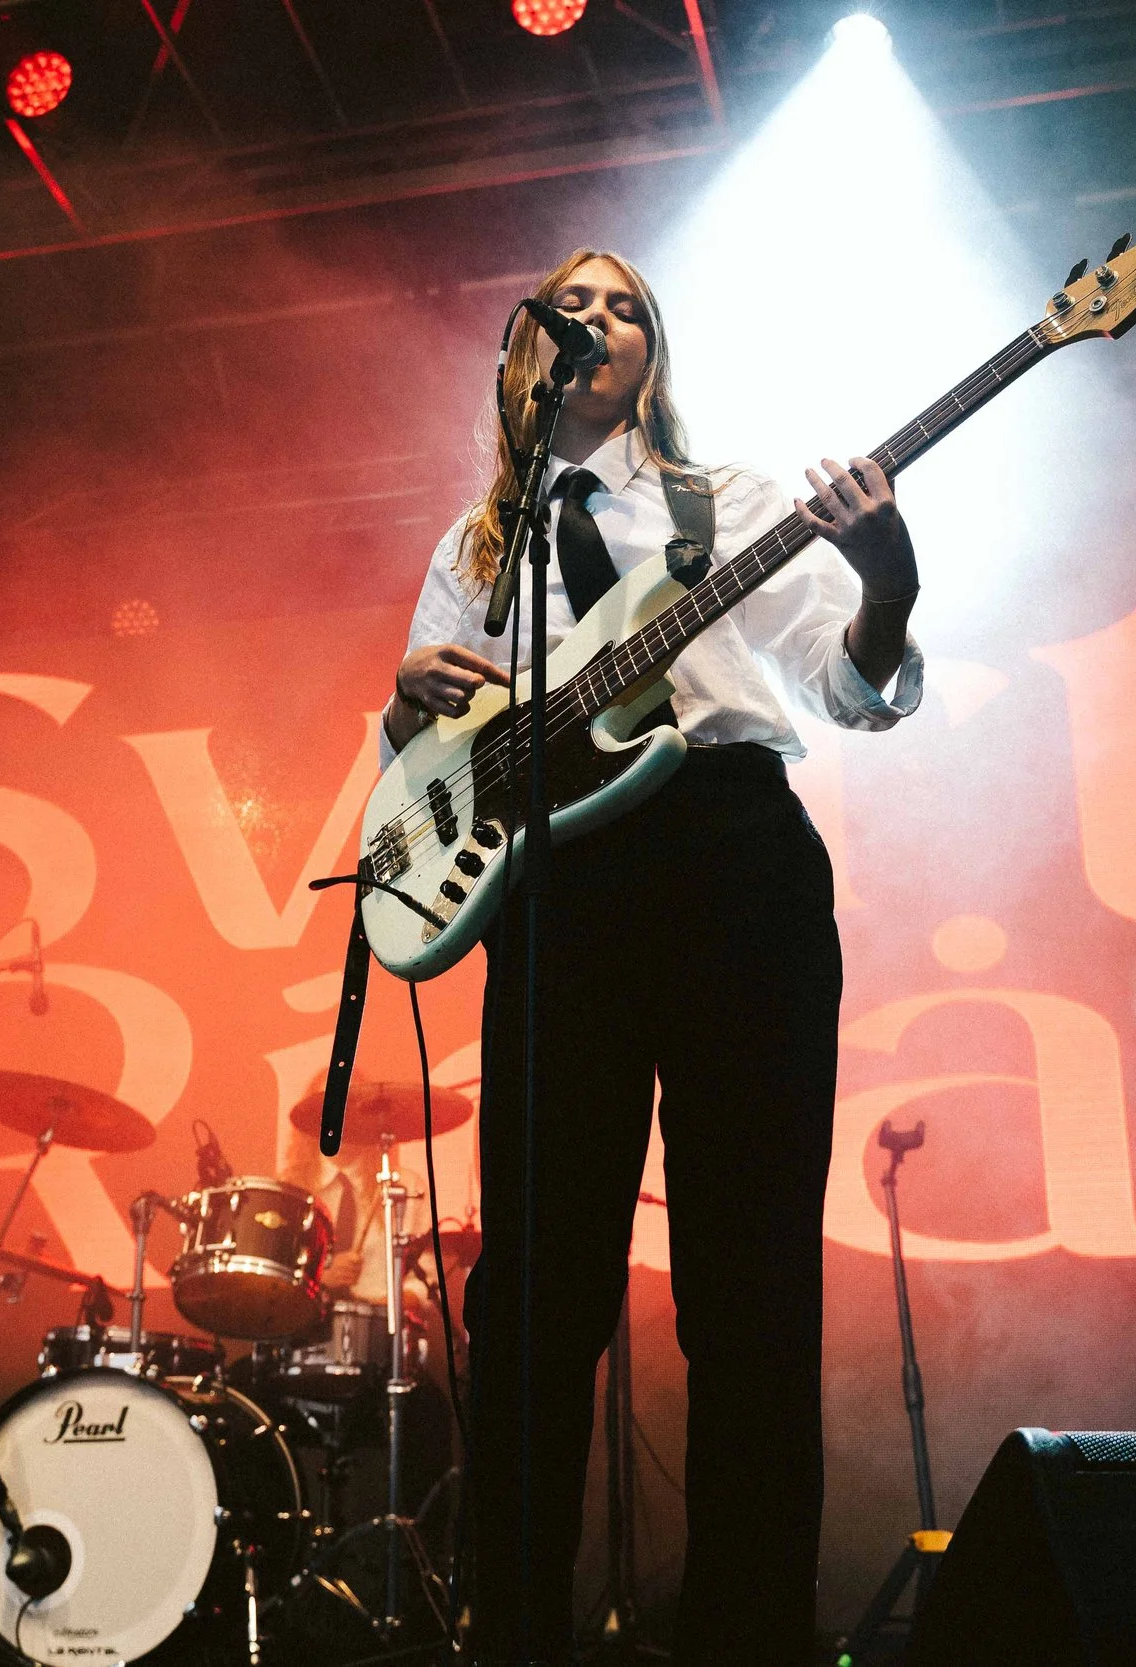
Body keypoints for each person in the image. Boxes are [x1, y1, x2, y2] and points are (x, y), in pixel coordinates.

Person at [380, 248, 924, 1666]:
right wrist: (406, 703)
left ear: (653, 354)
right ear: (529, 349)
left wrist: (889, 584)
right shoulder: (477, 549)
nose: (599, 321)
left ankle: (750, 1637)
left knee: (749, 1287)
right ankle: (515, 1632)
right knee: (533, 1294)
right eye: (574, 303)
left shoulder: (725, 503)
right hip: (559, 895)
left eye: (626, 307)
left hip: (730, 862)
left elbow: (851, 687)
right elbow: (430, 767)